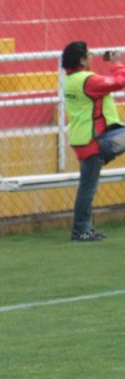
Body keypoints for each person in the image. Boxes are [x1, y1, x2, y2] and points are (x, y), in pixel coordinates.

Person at [61, 40, 125, 241]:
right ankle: (80, 229)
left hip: (85, 139)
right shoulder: (87, 80)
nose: (92, 56)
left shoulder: (72, 80)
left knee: (88, 185)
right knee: (88, 186)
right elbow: (119, 82)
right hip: (95, 140)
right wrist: (116, 64)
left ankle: (83, 228)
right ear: (81, 60)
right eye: (88, 54)